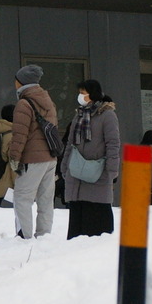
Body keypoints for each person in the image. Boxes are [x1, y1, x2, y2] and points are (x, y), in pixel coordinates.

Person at [60, 79, 121, 238]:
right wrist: (65, 166)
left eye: (83, 93)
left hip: (98, 172)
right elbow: (70, 143)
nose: (80, 96)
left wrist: (112, 170)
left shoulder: (107, 115)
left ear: (92, 94)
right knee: (77, 221)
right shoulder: (79, 116)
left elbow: (113, 144)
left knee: (96, 219)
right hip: (76, 173)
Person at [8, 64, 58, 239]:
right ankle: (44, 235)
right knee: (45, 199)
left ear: (21, 82)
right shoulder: (48, 100)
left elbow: (19, 135)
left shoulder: (24, 103)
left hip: (33, 158)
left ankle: (25, 236)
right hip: (50, 157)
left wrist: (14, 157)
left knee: (22, 198)